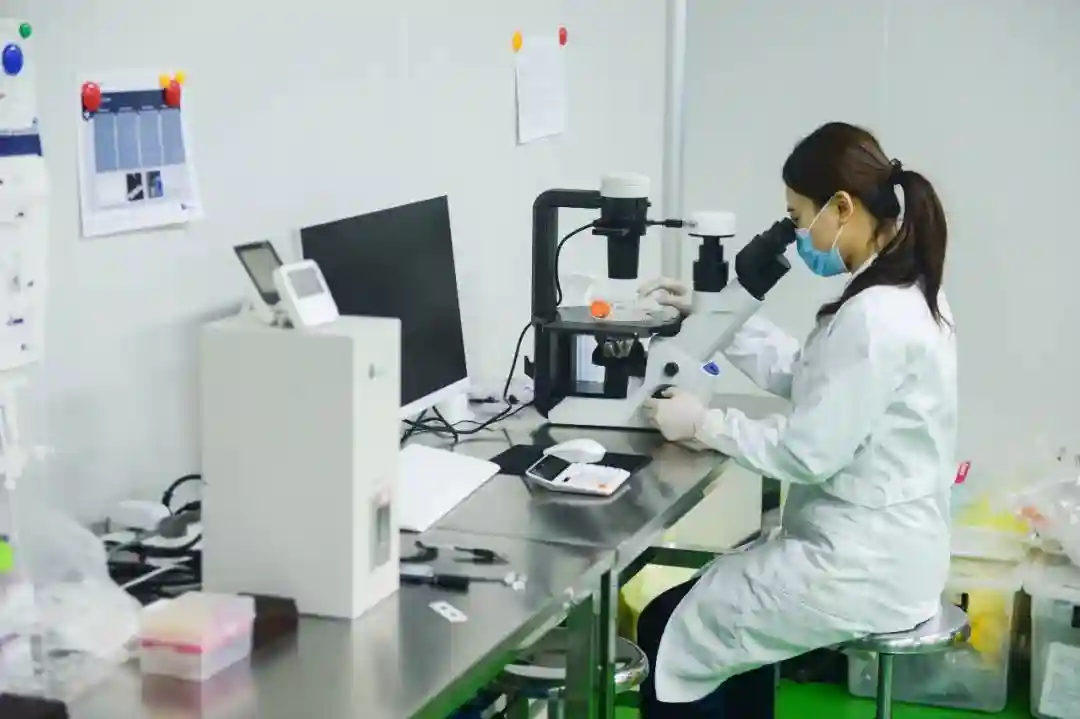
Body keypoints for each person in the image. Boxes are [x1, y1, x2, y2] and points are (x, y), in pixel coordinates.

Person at [635, 121, 958, 718]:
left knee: (668, 628)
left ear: (842, 207)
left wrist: (704, 423)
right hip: (878, 549)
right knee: (719, 627)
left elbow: (807, 452)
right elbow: (810, 376)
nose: (797, 234)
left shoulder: (876, 316)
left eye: (797, 216)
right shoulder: (902, 292)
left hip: (860, 566)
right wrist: (714, 317)